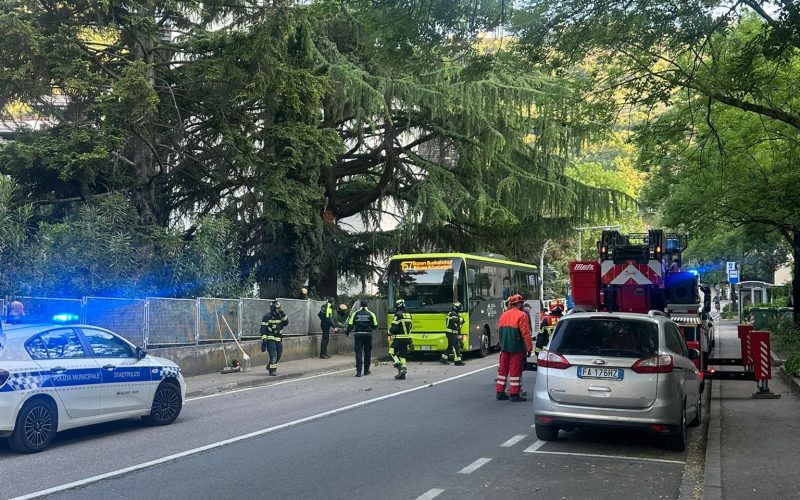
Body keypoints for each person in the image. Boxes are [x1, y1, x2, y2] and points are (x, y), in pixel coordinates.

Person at [495, 294, 532, 402]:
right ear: (519, 303)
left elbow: (500, 332)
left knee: (503, 370)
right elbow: (525, 333)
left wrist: (502, 345)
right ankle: (514, 394)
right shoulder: (522, 315)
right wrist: (529, 348)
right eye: (521, 302)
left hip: (505, 347)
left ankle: (499, 392)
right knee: (515, 370)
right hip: (516, 347)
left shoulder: (503, 315)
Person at [345, 299, 378, 377]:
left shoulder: (355, 313)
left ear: (360, 305)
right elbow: (375, 325)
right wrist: (370, 326)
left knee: (358, 353)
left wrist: (347, 333)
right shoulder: (371, 314)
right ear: (367, 305)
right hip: (368, 335)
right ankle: (366, 371)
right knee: (367, 353)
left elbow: (350, 325)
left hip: (358, 335)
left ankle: (358, 372)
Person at [260, 300, 289, 376]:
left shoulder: (280, 315)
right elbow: (263, 329)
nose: (279, 309)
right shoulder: (267, 317)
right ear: (273, 308)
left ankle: (270, 366)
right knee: (274, 355)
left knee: (279, 354)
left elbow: (286, 323)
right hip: (270, 339)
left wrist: (283, 314)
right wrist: (264, 339)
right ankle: (272, 370)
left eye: (279, 308)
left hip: (278, 339)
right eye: (277, 308)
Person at [389, 298, 413, 380]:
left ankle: (400, 368)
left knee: (391, 352)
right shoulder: (409, 314)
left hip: (399, 338)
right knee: (402, 355)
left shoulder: (397, 315)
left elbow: (393, 329)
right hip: (408, 338)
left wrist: (389, 332)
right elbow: (411, 327)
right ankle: (403, 372)